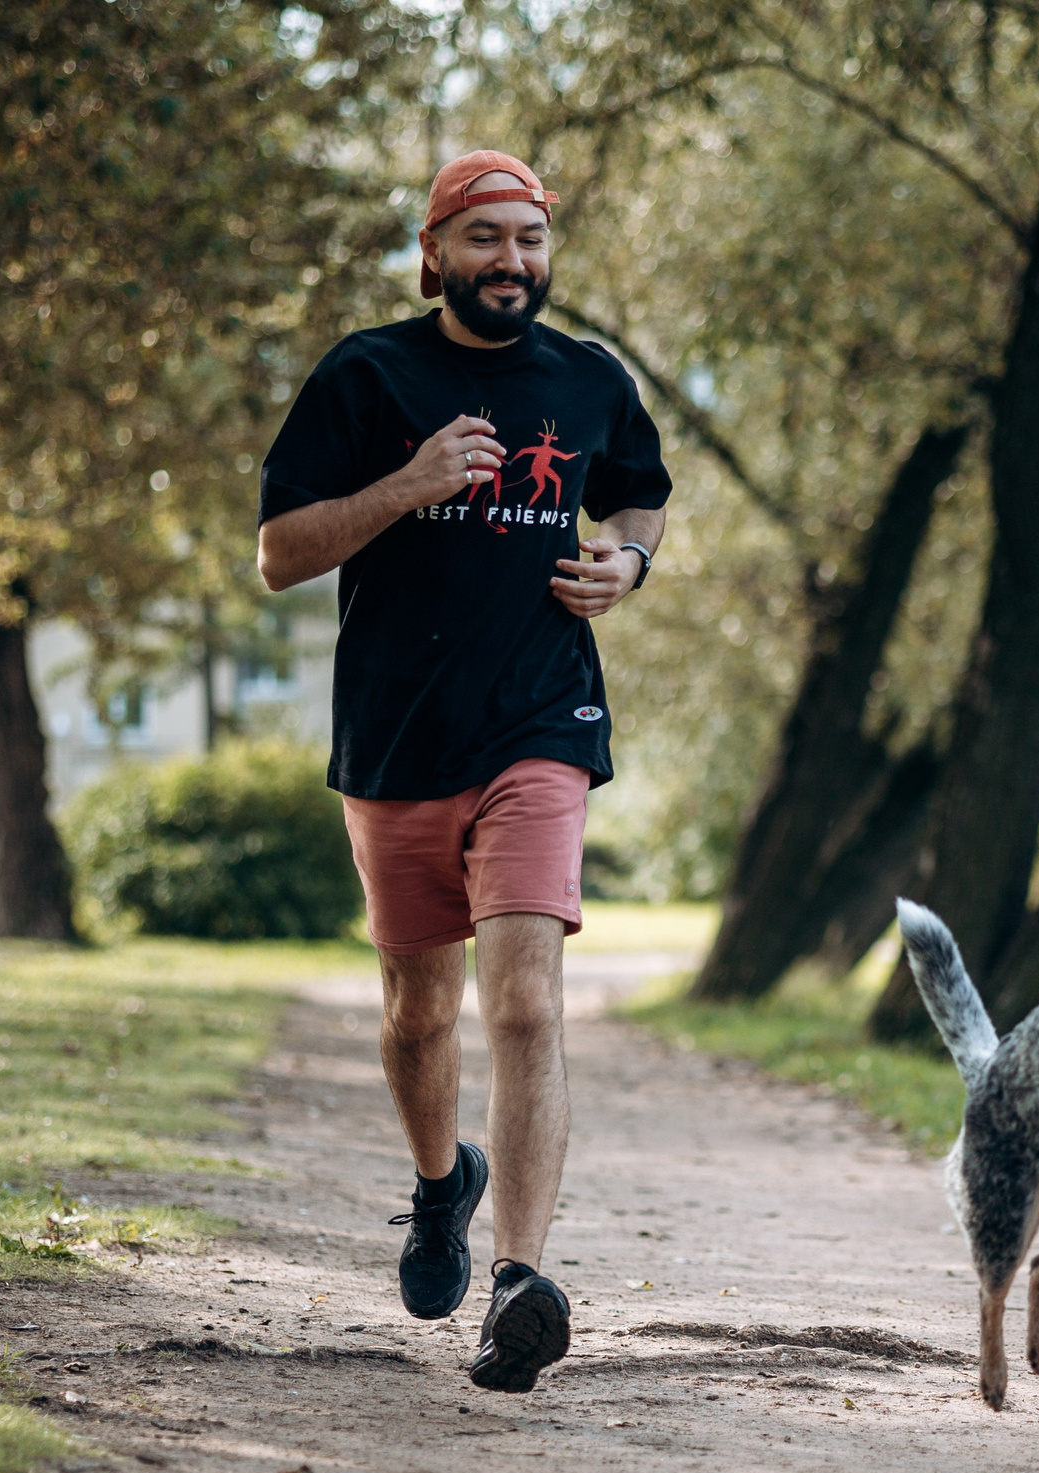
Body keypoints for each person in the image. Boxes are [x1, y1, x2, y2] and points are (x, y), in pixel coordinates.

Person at [255, 151, 671, 1393]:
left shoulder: (590, 380)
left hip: (541, 723)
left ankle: (518, 1281)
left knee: (529, 1003)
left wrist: (628, 569)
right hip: (395, 738)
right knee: (418, 1012)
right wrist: (409, 483)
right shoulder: (366, 374)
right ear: (433, 253)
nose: (513, 263)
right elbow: (279, 551)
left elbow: (641, 497)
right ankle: (443, 1186)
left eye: (531, 240)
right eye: (485, 239)